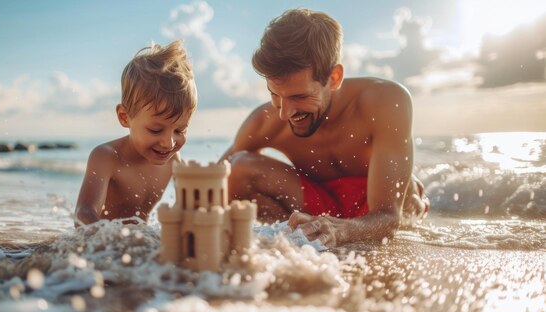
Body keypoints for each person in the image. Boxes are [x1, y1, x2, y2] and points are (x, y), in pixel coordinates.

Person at [220, 9, 429, 246]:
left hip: (376, 206)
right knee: (237, 168)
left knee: (410, 197)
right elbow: (210, 187)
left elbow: (389, 217)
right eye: (275, 94)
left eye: (300, 96)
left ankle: (324, 233)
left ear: (334, 78)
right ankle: (300, 235)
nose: (284, 112)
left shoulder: (385, 101)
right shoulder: (263, 121)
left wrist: (343, 231)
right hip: (315, 203)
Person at [75, 40, 197, 226]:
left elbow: (189, 207)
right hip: (103, 249)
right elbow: (83, 214)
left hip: (140, 246)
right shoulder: (107, 157)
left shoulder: (173, 160)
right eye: (155, 130)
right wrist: (109, 241)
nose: (169, 143)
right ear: (125, 117)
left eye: (180, 130)